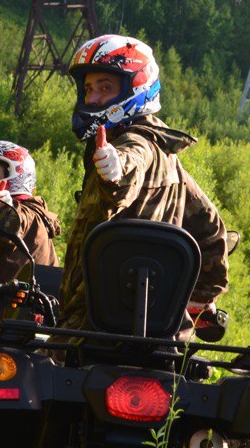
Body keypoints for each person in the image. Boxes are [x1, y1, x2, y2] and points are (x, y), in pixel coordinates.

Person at [58, 34, 229, 335]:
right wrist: (194, 302)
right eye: (88, 89)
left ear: (135, 89)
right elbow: (212, 230)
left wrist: (113, 172)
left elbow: (126, 174)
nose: (93, 98)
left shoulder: (136, 145)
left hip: (94, 331)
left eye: (105, 87)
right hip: (162, 336)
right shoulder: (169, 158)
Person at [0, 140, 61, 284]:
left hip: (25, 306)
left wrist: (7, 212)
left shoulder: (30, 217)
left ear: (17, 178)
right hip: (7, 305)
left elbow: (20, 223)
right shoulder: (5, 219)